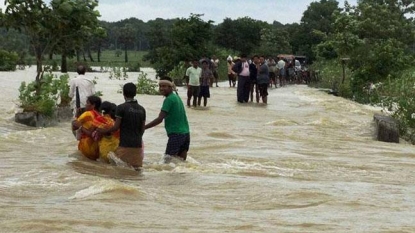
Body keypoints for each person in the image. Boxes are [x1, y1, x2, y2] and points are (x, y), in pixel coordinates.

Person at [96, 83, 146, 170]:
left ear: (123, 93)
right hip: (137, 146)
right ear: (135, 93)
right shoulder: (142, 109)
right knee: (136, 172)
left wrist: (102, 131)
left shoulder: (121, 108)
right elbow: (142, 129)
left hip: (125, 145)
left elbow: (115, 127)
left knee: (121, 172)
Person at [145, 76, 190, 162]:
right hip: (186, 134)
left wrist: (144, 127)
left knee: (167, 163)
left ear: (170, 87)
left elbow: (160, 119)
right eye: (160, 86)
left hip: (176, 134)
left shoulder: (169, 100)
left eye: (164, 86)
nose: (161, 88)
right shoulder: (177, 97)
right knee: (181, 163)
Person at [72, 95, 101, 160]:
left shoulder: (87, 114)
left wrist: (77, 115)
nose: (85, 105)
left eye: (87, 103)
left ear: (93, 105)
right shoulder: (100, 115)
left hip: (86, 144)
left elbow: (74, 126)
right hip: (97, 147)